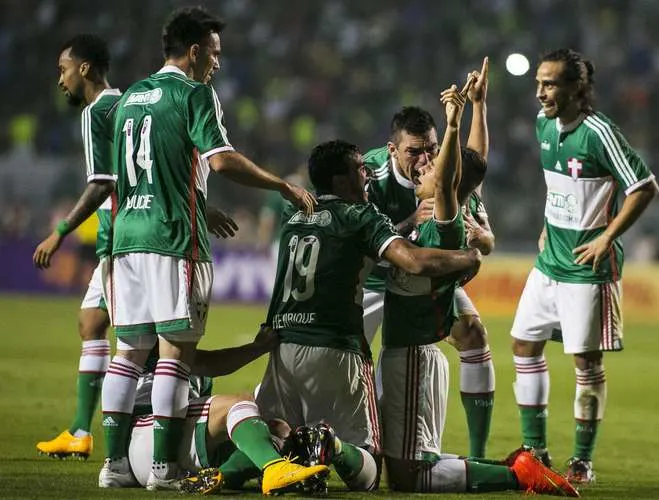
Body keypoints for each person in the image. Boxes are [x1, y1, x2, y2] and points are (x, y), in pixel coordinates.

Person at [98, 6, 315, 490]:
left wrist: (199, 205)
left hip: (127, 239)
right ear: (194, 52)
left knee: (129, 352)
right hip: (174, 240)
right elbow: (220, 161)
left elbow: (131, 174)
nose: (218, 62)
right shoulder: (195, 93)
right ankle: (164, 470)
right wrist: (281, 185)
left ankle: (113, 466)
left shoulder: (131, 98)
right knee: (175, 356)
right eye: (214, 53)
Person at [377, 80, 578, 497]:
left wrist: (453, 124)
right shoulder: (444, 216)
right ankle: (513, 466)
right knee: (408, 466)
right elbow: (474, 162)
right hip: (409, 352)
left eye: (435, 163)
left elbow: (454, 175)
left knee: (409, 476)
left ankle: (518, 476)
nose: (427, 165)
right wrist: (478, 108)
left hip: (413, 354)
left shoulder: (445, 219)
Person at [256, 139, 482, 492]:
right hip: (335, 348)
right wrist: (469, 258)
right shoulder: (361, 216)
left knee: (280, 437)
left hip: (282, 348)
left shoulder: (295, 218)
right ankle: (333, 447)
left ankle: (236, 470)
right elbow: (413, 261)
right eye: (361, 169)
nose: (368, 176)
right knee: (369, 471)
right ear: (342, 180)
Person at [509, 48, 659, 483]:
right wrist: (546, 223)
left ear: (577, 88)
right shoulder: (543, 125)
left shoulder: (598, 131)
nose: (540, 93)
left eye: (550, 83)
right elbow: (557, 186)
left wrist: (607, 236)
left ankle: (581, 462)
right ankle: (534, 451)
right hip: (549, 260)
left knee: (585, 362)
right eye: (539, 83)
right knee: (523, 344)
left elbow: (645, 186)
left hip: (585, 268)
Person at [363, 57, 497, 458]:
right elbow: (356, 241)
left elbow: (485, 234)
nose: (426, 161)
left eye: (433, 150)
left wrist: (481, 240)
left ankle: (476, 451)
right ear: (392, 150)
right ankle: (360, 442)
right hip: (372, 279)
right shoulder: (367, 175)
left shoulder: (444, 175)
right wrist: (405, 223)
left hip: (421, 279)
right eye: (415, 152)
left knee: (473, 334)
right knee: (349, 356)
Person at [33, 34, 120, 460]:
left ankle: (156, 436)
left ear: (84, 68)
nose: (60, 80)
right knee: (91, 322)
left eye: (63, 70)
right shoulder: (129, 104)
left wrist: (60, 231)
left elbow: (103, 183)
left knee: (154, 343)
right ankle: (80, 429)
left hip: (125, 237)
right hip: (130, 235)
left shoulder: (96, 112)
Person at [124, 326, 329, 495]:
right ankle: (274, 467)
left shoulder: (162, 352)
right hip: (151, 440)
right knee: (240, 404)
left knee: (277, 431)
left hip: (165, 445)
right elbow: (210, 363)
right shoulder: (159, 345)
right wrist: (258, 347)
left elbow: (209, 364)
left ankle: (217, 477)